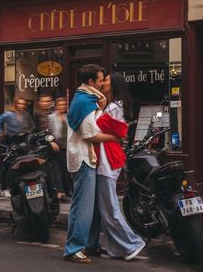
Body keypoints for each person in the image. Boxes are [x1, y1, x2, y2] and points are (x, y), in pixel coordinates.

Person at [63, 64, 119, 264]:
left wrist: (101, 108)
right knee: (82, 206)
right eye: (101, 79)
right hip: (83, 159)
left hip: (88, 158)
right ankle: (74, 248)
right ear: (91, 82)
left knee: (91, 206)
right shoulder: (84, 101)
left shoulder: (88, 99)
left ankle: (89, 243)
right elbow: (90, 134)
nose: (103, 82)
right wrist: (114, 136)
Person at [96, 72, 146, 261]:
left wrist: (99, 110)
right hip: (108, 159)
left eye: (106, 80)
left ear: (114, 85)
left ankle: (133, 243)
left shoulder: (114, 108)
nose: (103, 83)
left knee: (110, 208)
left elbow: (98, 127)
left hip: (107, 160)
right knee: (106, 208)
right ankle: (114, 248)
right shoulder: (114, 106)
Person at [0, 97, 34, 196]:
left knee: (22, 164)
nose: (22, 106)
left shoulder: (26, 115)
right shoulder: (8, 114)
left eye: (23, 104)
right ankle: (5, 188)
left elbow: (32, 127)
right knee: (8, 166)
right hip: (10, 141)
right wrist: (0, 133)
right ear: (16, 104)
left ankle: (19, 188)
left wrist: (29, 136)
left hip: (23, 142)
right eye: (20, 103)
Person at [48, 97, 73, 202]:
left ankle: (68, 191)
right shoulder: (51, 117)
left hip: (66, 147)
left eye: (64, 104)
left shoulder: (68, 116)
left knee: (66, 169)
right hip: (56, 147)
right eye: (60, 104)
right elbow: (48, 132)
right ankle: (60, 193)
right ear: (56, 106)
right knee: (57, 170)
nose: (62, 106)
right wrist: (51, 142)